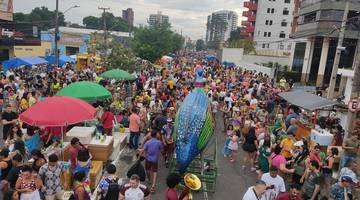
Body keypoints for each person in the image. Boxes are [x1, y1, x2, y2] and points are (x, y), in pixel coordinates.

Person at [143, 129, 163, 193]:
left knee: (147, 170)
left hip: (148, 158)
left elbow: (143, 150)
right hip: (155, 159)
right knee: (155, 171)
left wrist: (139, 158)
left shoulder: (148, 142)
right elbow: (161, 149)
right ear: (156, 135)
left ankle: (149, 180)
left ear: (151, 135)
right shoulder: (159, 142)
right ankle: (153, 185)